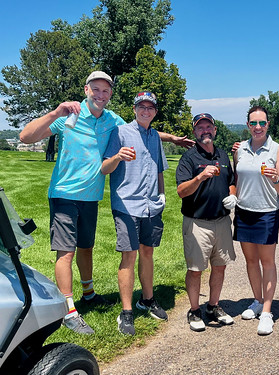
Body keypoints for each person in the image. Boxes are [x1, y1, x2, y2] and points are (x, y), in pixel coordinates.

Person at [19, 71, 194, 334]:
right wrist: (55, 112)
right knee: (65, 252)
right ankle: (69, 310)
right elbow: (26, 137)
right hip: (64, 192)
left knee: (86, 247)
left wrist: (172, 139)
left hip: (91, 196)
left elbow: (140, 129)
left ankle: (88, 294)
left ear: (110, 94)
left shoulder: (112, 120)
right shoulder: (70, 114)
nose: (101, 95)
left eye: (105, 91)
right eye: (96, 90)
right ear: (87, 89)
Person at [101, 91, 168, 335]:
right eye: (142, 107)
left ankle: (147, 299)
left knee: (147, 252)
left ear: (155, 112)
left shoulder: (155, 138)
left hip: (151, 205)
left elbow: (160, 169)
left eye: (150, 108)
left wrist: (162, 195)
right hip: (127, 205)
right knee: (129, 255)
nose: (146, 111)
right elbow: (104, 168)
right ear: (134, 109)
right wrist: (118, 156)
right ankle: (126, 311)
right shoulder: (120, 133)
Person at [176, 113, 236, 332]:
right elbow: (181, 191)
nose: (205, 131)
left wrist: (232, 194)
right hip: (197, 223)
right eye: (200, 128)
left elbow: (231, 181)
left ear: (215, 130)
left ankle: (213, 306)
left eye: (208, 127)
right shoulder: (189, 158)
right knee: (195, 269)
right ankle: (194, 310)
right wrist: (199, 177)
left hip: (221, 221)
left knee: (219, 267)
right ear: (194, 132)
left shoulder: (222, 155)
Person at [233, 106, 279, 335]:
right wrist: (232, 195)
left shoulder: (277, 150)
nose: (257, 127)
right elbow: (237, 179)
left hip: (266, 212)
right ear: (248, 125)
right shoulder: (240, 150)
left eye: (262, 123)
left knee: (267, 262)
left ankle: (267, 311)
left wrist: (276, 178)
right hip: (244, 211)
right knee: (250, 261)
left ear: (268, 125)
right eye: (253, 123)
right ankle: (257, 300)